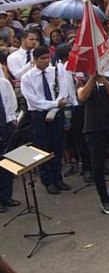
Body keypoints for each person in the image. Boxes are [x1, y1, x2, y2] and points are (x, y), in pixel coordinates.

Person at [20, 46, 70, 194]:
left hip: (56, 113)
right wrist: (53, 104)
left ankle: (58, 178)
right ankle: (48, 180)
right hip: (39, 115)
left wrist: (56, 105)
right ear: (35, 60)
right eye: (42, 59)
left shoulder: (56, 71)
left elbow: (63, 91)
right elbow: (33, 100)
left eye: (48, 58)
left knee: (57, 146)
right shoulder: (27, 78)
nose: (46, 61)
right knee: (43, 148)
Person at [77, 74, 109, 215]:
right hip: (93, 128)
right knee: (97, 165)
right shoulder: (83, 81)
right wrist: (92, 80)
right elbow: (82, 97)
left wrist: (105, 83)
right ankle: (105, 200)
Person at [0, 72, 20, 212]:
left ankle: (6, 196)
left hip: (6, 126)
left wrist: (11, 122)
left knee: (8, 162)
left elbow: (12, 104)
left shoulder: (4, 83)